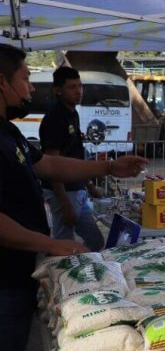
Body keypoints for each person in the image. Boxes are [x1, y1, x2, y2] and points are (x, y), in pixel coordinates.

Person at [0, 44, 146, 351]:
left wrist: (107, 165)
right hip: (3, 278)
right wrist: (50, 242)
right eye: (25, 78)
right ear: (2, 82)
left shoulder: (8, 132)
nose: (30, 87)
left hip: (17, 273)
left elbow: (47, 165)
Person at [40, 66, 104, 251]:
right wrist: (64, 202)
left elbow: (75, 155)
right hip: (62, 192)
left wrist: (89, 185)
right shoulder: (54, 118)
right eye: (71, 87)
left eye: (80, 86)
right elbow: (53, 164)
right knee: (63, 244)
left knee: (95, 240)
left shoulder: (73, 114)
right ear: (58, 90)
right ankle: (60, 278)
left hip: (77, 190)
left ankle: (83, 271)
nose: (78, 91)